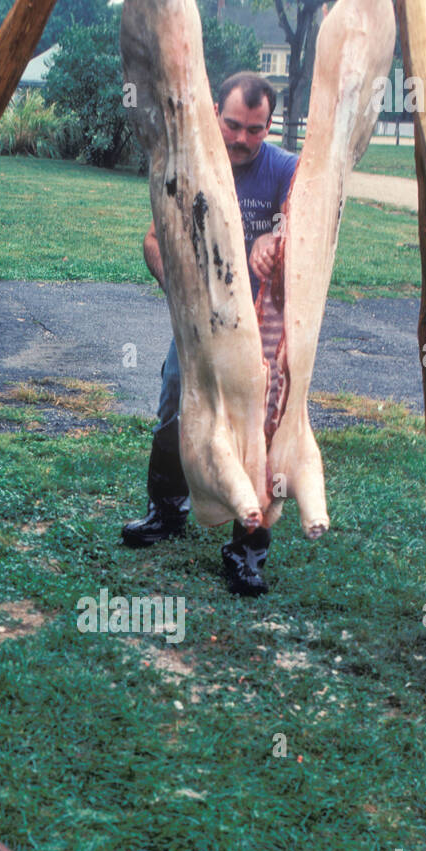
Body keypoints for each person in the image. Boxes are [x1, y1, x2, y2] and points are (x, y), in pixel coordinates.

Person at [122, 72, 298, 596]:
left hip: (260, 325)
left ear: (270, 126)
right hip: (199, 319)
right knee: (175, 400)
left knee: (260, 428)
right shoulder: (188, 165)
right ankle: (165, 510)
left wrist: (277, 238)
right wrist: (179, 282)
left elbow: (303, 227)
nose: (241, 139)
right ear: (215, 112)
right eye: (232, 125)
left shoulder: (286, 170)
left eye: (255, 129)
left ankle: (248, 549)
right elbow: (154, 239)